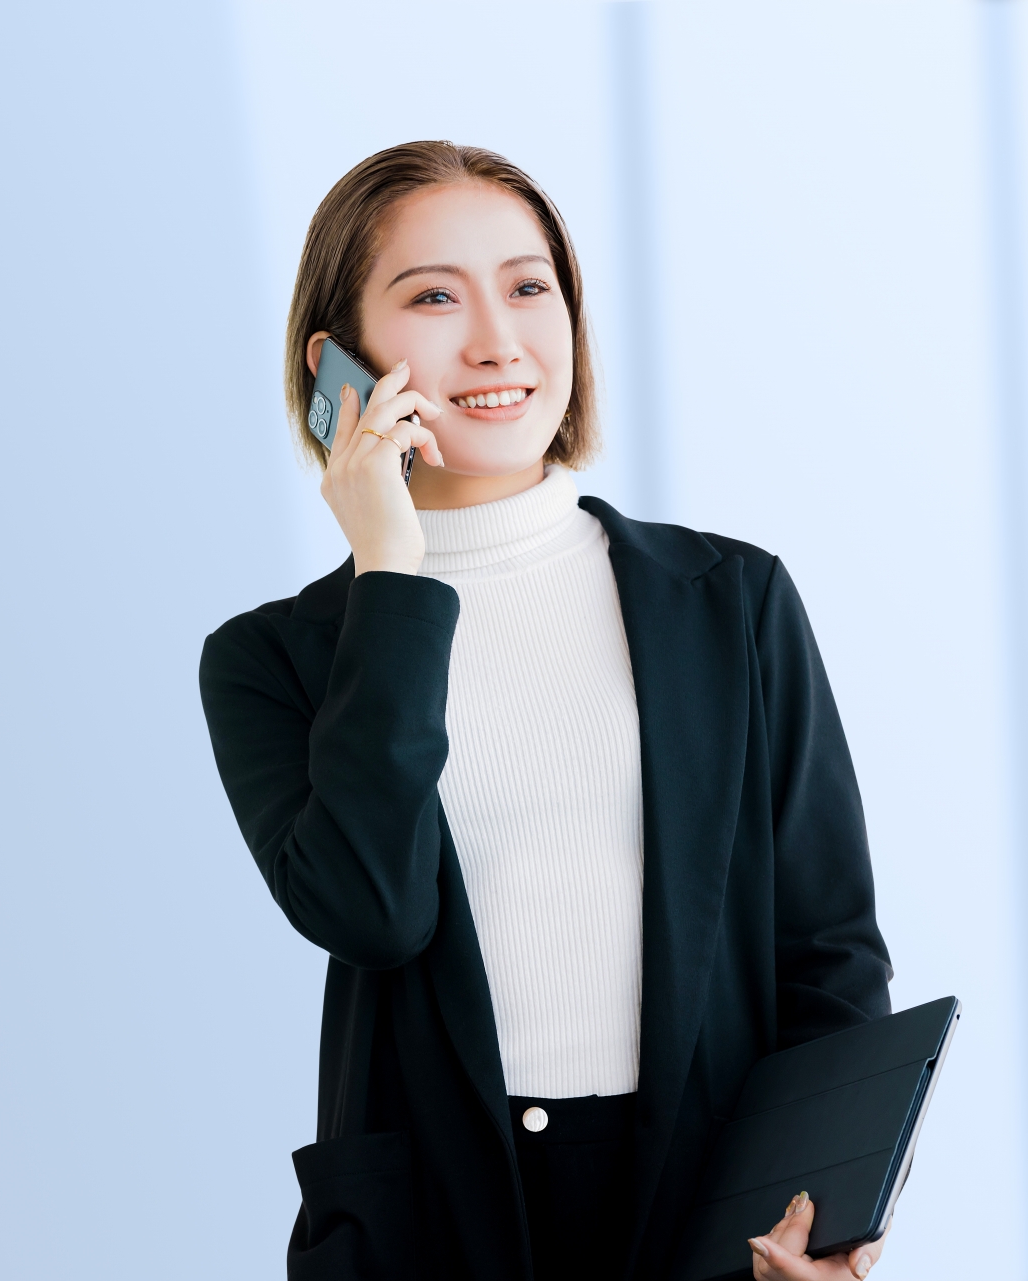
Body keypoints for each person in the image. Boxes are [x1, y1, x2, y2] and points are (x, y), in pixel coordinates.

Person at [198, 141, 894, 1281]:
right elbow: (370, 909)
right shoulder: (275, 658)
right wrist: (394, 574)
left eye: (529, 287)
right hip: (433, 1229)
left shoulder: (729, 601)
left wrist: (833, 1215)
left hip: (714, 1213)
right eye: (433, 296)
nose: (497, 341)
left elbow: (824, 948)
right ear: (339, 366)